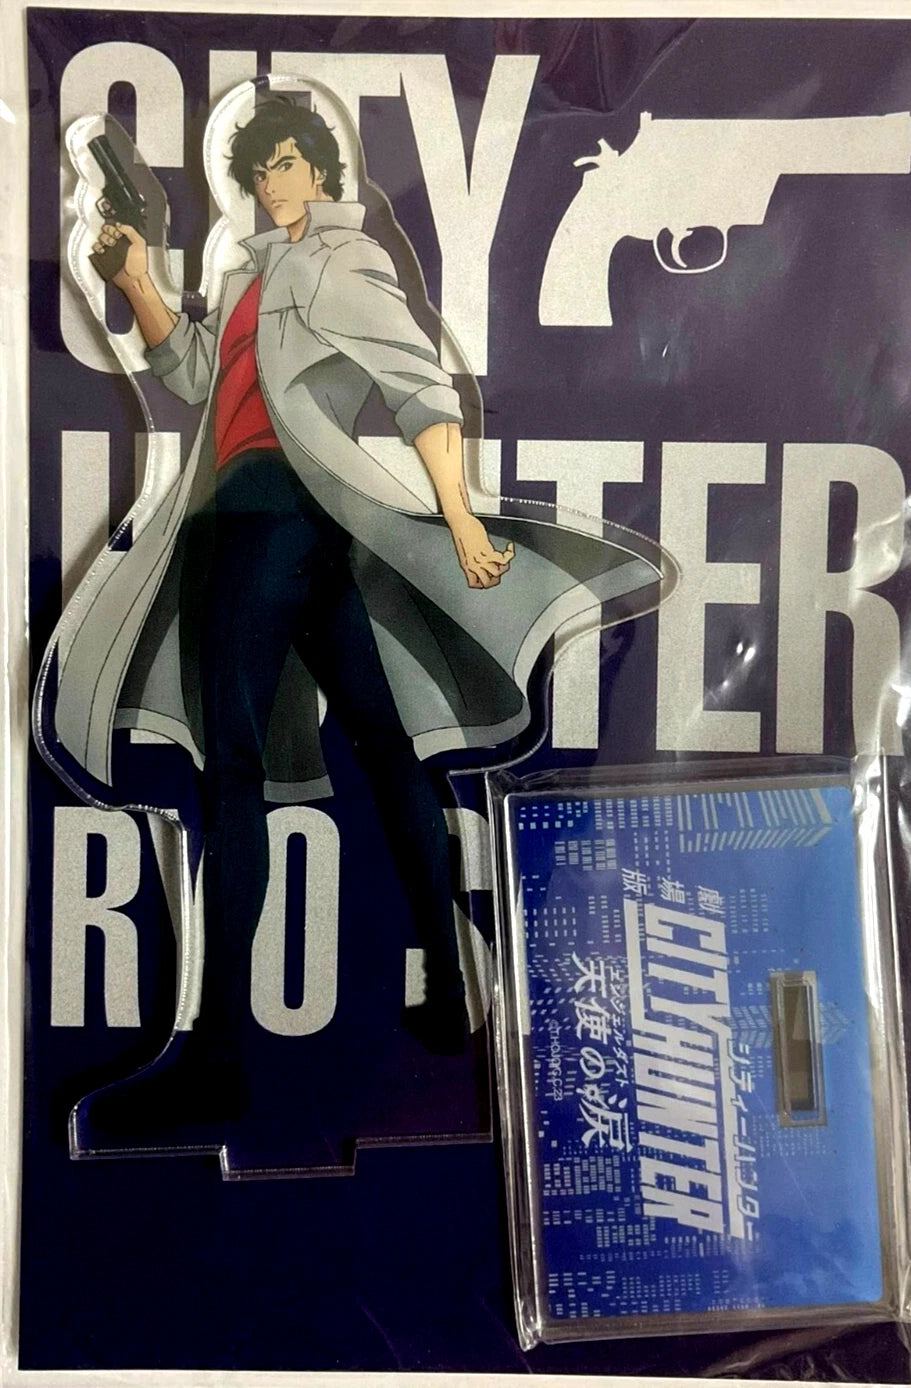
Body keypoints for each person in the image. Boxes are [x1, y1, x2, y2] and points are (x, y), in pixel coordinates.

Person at [47, 93, 665, 1141]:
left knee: (232, 771)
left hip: (267, 521)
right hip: (278, 526)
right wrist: (139, 279)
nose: (272, 183)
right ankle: (450, 987)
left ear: (324, 170)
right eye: (259, 170)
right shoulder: (249, 271)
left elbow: (421, 387)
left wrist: (459, 520)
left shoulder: (344, 259)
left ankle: (220, 1059)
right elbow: (193, 377)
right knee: (386, 746)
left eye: (288, 163)